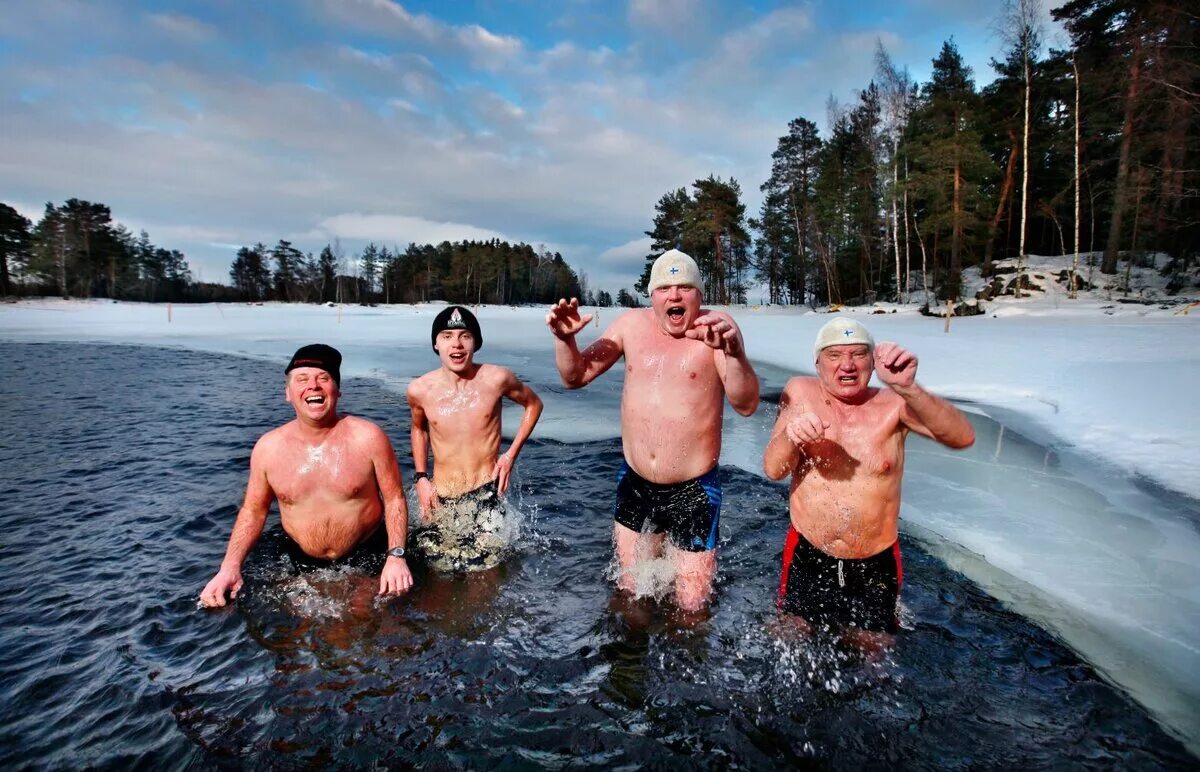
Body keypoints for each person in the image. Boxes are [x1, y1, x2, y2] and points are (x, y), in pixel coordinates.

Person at [546, 249, 760, 612]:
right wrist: (565, 340)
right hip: (636, 483)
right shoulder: (631, 326)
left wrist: (736, 355)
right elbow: (575, 376)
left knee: (691, 609)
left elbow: (746, 403)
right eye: (664, 288)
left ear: (699, 295)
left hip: (694, 491)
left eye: (684, 287)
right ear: (652, 296)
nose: (674, 295)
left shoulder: (716, 328)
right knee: (631, 595)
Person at [762, 317, 975, 644]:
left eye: (858, 354)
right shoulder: (800, 393)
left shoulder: (894, 405)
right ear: (818, 362)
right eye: (835, 355)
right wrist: (791, 435)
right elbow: (774, 470)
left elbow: (962, 437)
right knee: (791, 641)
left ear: (873, 362)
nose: (847, 365)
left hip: (875, 562)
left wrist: (909, 388)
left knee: (872, 661)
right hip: (809, 552)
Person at [199, 344, 413, 607]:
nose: (313, 386)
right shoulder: (269, 448)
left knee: (366, 621)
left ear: (337, 390)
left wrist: (396, 557)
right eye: (302, 380)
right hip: (299, 560)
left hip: (367, 554)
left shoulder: (368, 437)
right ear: (288, 393)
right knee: (292, 637)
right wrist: (229, 568)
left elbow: (394, 499)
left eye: (323, 378)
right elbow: (254, 511)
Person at [406, 306, 544, 572]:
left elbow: (534, 405)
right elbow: (419, 429)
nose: (456, 344)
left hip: (487, 495)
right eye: (447, 336)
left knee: (487, 580)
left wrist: (510, 455)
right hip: (441, 500)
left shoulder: (496, 378)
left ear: (476, 343)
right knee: (441, 582)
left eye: (464, 336)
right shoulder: (420, 390)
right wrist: (421, 477)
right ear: (435, 343)